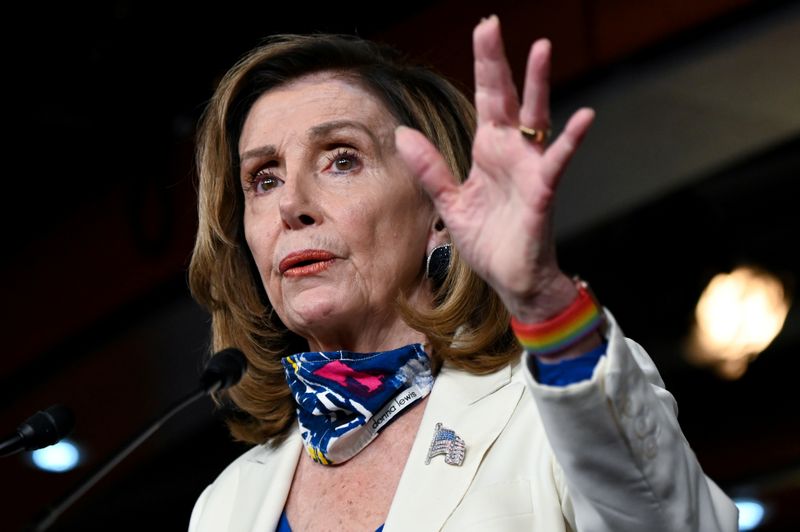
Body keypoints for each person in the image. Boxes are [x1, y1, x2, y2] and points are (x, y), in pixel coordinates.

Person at [186, 15, 738, 532]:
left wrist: (543, 299)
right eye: (263, 178)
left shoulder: (551, 409)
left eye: (342, 158)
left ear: (441, 209)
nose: (291, 205)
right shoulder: (224, 506)